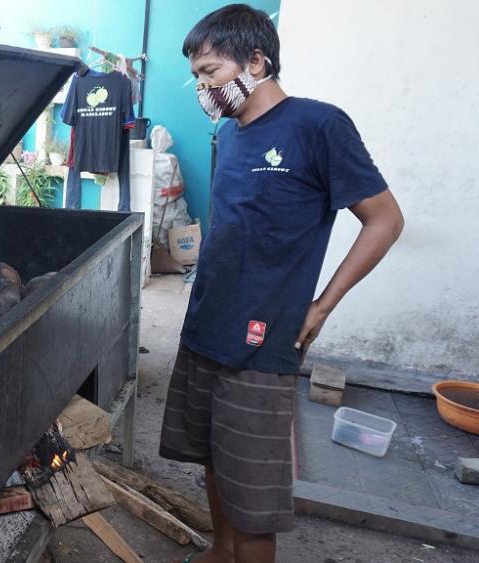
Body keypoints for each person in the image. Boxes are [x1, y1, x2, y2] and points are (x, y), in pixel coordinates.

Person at [158, 5, 404, 563]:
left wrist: (321, 306)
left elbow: (385, 220)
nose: (203, 88)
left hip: (262, 341)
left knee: (254, 494)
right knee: (214, 457)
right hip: (206, 326)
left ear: (257, 61)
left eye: (210, 72)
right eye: (197, 76)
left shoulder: (319, 125)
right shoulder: (231, 134)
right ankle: (220, 550)